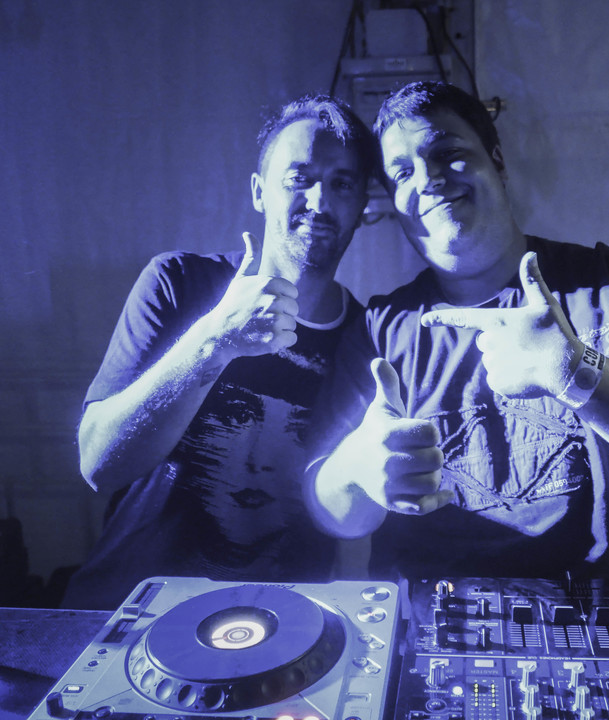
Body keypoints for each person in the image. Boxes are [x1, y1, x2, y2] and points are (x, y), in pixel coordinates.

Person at [305, 81, 609, 582]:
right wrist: (357, 471)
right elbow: (329, 511)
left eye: (449, 154)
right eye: (402, 173)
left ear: (497, 162)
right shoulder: (379, 330)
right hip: (442, 621)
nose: (429, 179)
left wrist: (577, 374)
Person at [61, 95, 379, 610]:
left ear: (363, 205)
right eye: (298, 178)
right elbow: (98, 463)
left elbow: (346, 514)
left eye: (342, 184)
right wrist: (215, 341)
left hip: (279, 629)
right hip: (130, 615)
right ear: (259, 191)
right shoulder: (179, 282)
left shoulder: (365, 341)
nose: (319, 201)